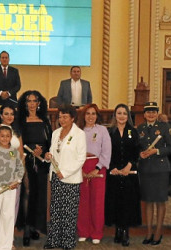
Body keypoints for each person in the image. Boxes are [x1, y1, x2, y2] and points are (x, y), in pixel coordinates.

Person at [43, 104, 86, 249]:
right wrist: (48, 156)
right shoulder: (56, 133)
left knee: (69, 212)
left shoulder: (79, 134)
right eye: (60, 116)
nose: (61, 119)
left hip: (70, 179)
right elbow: (52, 153)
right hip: (55, 176)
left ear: (72, 118)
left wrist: (65, 172)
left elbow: (81, 159)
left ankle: (67, 242)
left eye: (65, 117)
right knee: (55, 209)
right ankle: (54, 240)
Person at [137, 102, 171, 246]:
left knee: (160, 201)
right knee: (148, 201)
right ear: (144, 114)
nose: (151, 114)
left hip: (161, 169)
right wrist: (139, 154)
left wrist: (157, 151)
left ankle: (158, 232)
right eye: (148, 112)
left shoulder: (164, 127)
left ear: (157, 113)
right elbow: (137, 147)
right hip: (146, 169)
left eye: (154, 111)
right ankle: (148, 232)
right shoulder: (140, 128)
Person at [16, 90, 52, 246]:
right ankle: (26, 228)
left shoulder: (45, 120)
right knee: (27, 193)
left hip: (42, 162)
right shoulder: (20, 121)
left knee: (39, 194)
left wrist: (43, 152)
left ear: (39, 103)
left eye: (34, 101)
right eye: (29, 101)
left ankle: (37, 226)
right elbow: (19, 143)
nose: (31, 104)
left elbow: (50, 142)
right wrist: (29, 153)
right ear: (25, 104)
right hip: (26, 161)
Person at [104, 104, 141, 247]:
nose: (122, 116)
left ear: (128, 116)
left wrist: (129, 166)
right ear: (115, 115)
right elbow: (106, 151)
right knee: (115, 202)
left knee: (127, 202)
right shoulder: (109, 132)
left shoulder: (133, 131)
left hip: (129, 173)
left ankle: (125, 231)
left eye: (124, 113)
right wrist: (112, 167)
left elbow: (136, 151)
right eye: (119, 113)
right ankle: (117, 229)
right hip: (113, 173)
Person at [0, 126, 25, 250]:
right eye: (2, 136)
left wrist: (17, 181)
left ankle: (5, 245)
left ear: (11, 137)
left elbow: (20, 168)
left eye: (8, 136)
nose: (5, 138)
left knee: (8, 216)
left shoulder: (14, 152)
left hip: (10, 189)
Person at [77, 103, 112, 245]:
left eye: (93, 114)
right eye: (88, 113)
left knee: (97, 202)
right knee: (83, 201)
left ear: (97, 116)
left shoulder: (102, 130)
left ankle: (97, 232)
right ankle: (83, 231)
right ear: (83, 116)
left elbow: (107, 150)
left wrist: (97, 168)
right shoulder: (77, 131)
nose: (90, 116)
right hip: (80, 167)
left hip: (98, 166)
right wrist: (78, 168)